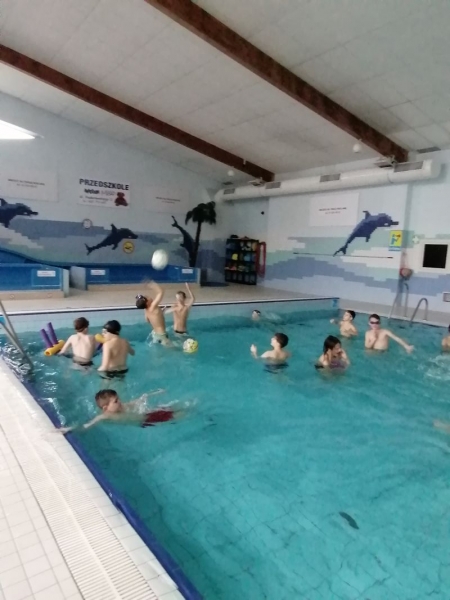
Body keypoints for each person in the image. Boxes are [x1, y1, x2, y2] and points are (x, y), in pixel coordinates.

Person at [59, 389, 175, 433]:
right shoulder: (104, 416)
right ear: (105, 408)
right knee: (178, 414)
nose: (119, 402)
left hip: (148, 417)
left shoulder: (122, 406)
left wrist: (153, 393)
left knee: (170, 410)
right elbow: (87, 426)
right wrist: (69, 429)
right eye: (116, 401)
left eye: (118, 399)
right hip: (146, 420)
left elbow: (139, 400)